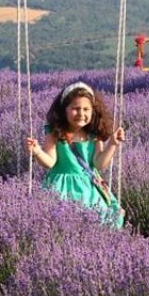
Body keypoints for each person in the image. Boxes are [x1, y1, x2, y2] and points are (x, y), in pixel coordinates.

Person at [26, 81, 127, 228]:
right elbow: (50, 162)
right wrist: (37, 152)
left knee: (97, 221)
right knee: (56, 222)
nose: (81, 114)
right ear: (64, 110)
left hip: (89, 188)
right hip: (60, 186)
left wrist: (112, 144)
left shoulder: (93, 134)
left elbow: (99, 164)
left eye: (86, 109)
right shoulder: (55, 132)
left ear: (93, 111)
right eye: (75, 108)